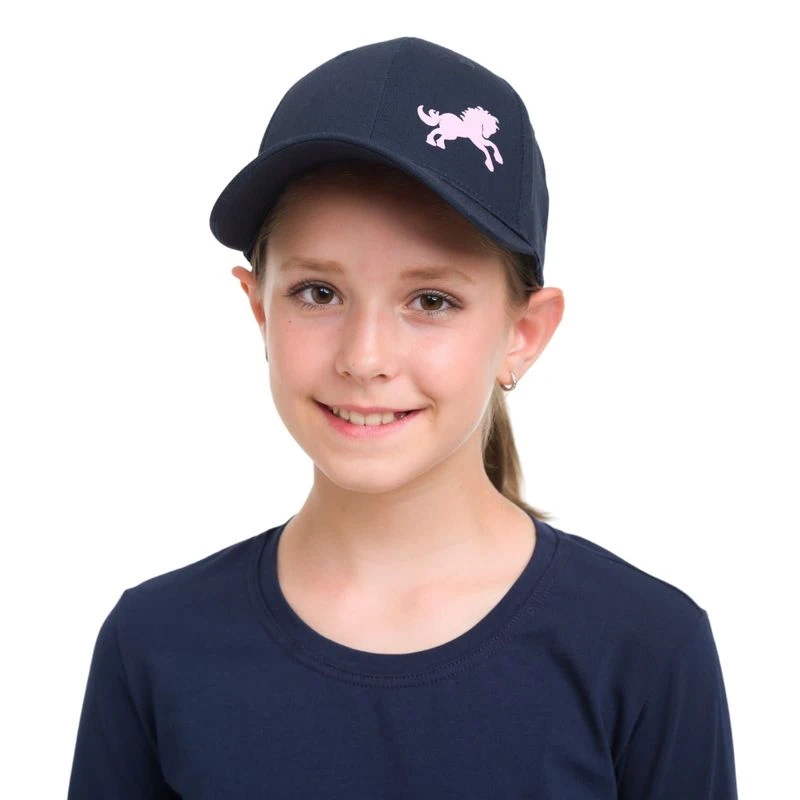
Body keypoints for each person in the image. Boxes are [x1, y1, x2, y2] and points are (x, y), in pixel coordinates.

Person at [67, 36, 739, 798]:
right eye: (318, 293)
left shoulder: (646, 648)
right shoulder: (155, 644)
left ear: (524, 333)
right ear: (258, 309)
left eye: (431, 301)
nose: (365, 357)